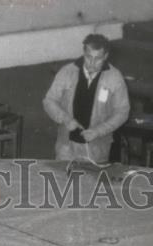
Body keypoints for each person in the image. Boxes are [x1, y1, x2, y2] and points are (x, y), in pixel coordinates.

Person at [43, 33, 130, 163]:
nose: (92, 63)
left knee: (91, 182)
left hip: (97, 148)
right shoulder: (67, 72)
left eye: (98, 59)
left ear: (106, 56)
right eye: (89, 57)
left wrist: (99, 131)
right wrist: (65, 119)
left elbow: (122, 111)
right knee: (63, 180)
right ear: (84, 52)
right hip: (66, 147)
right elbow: (49, 101)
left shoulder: (115, 77)